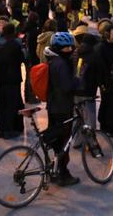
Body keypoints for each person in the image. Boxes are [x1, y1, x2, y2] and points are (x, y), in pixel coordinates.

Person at [43, 32, 81, 186]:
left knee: (57, 141)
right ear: (59, 48)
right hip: (62, 108)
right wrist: (78, 82)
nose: (70, 50)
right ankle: (63, 174)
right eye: (67, 48)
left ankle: (54, 169)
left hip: (53, 106)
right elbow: (67, 86)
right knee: (63, 142)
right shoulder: (61, 64)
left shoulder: (52, 60)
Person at [0, 23, 26, 139]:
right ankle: (11, 129)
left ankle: (3, 130)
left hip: (0, 79)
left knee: (2, 105)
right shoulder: (15, 45)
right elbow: (22, 59)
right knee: (12, 104)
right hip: (12, 79)